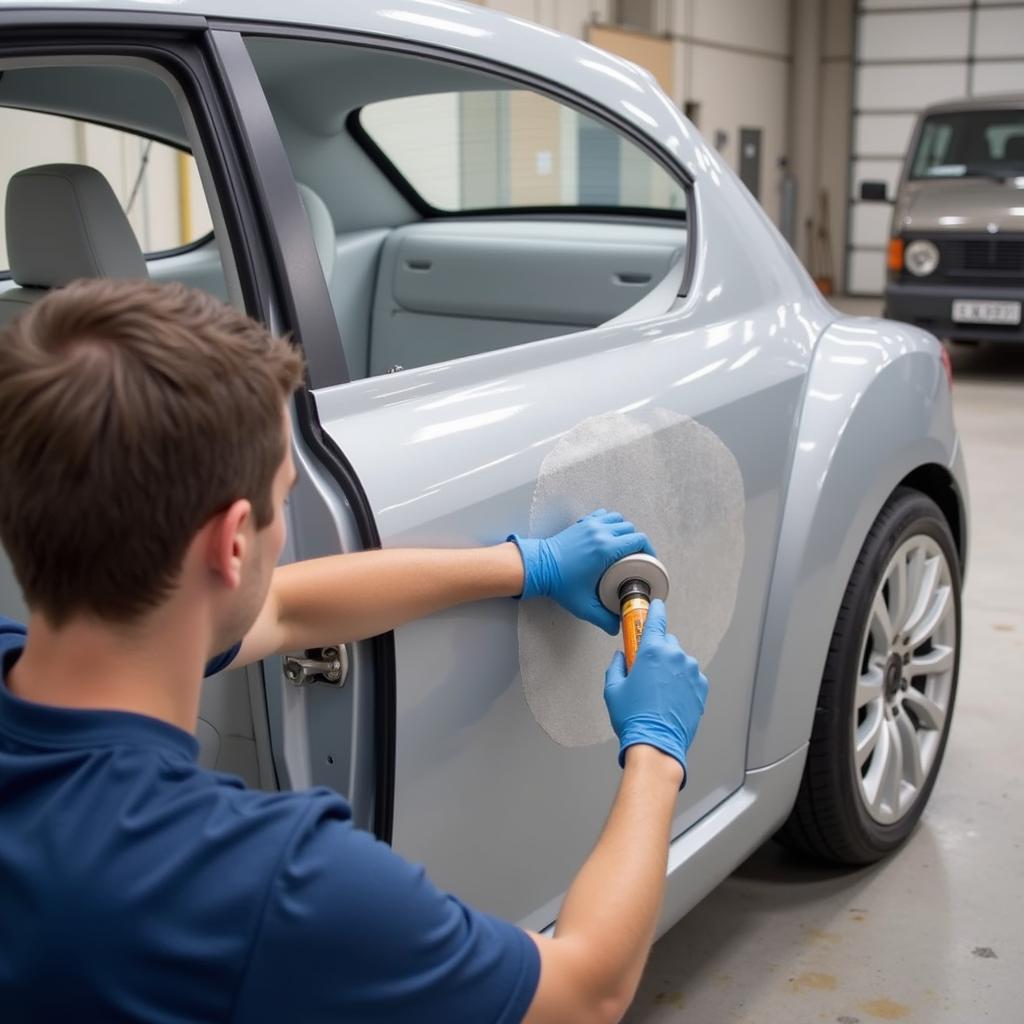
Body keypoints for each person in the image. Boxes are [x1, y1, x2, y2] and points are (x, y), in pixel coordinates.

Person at [0, 279, 708, 1024]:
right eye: (281, 499)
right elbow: (587, 991)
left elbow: (283, 604)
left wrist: (527, 565)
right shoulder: (267, 883)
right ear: (233, 540)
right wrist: (657, 754)